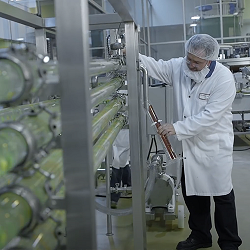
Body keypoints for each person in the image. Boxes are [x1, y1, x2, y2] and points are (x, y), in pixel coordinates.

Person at [139, 34, 242, 250]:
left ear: (210, 61)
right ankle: (200, 235)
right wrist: (131, 55)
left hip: (214, 146)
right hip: (188, 147)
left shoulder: (223, 78)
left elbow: (210, 116)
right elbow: (153, 66)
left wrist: (176, 128)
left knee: (222, 195)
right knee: (193, 192)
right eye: (189, 59)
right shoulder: (179, 67)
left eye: (197, 62)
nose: (191, 65)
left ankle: (230, 241)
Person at [110, 129, 131, 209]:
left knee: (122, 162)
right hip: (115, 134)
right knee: (117, 164)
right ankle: (114, 198)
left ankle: (128, 186)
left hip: (127, 134)